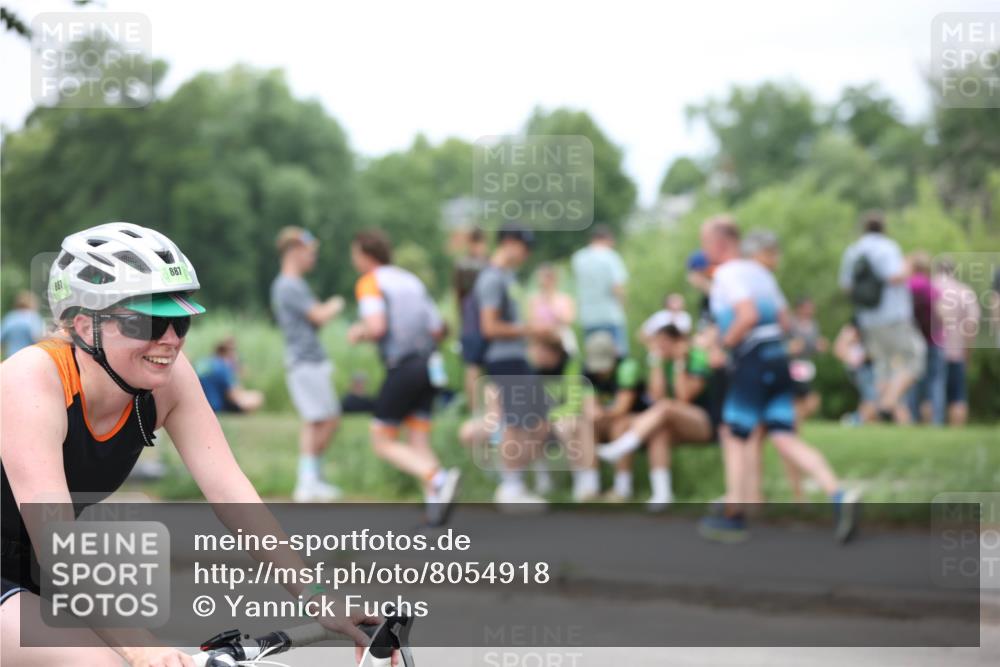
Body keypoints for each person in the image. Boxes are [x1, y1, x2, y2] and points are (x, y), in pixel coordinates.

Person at [1, 223, 377, 666]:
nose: (171, 340)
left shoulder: (168, 381)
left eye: (180, 320)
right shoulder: (31, 381)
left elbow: (231, 493)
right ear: (85, 324)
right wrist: (141, 647)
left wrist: (318, 597)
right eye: (151, 322)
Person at [700, 217, 858, 543]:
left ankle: (734, 516)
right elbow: (785, 323)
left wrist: (722, 345)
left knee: (734, 434)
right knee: (784, 437)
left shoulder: (728, 274)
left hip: (752, 362)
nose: (704, 250)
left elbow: (748, 316)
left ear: (718, 243)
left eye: (705, 243)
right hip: (778, 361)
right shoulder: (762, 275)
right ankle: (838, 494)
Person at [347, 230, 460, 526]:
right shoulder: (411, 280)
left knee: (381, 440)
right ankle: (436, 507)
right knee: (418, 439)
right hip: (430, 366)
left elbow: (376, 327)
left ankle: (437, 477)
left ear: (364, 254)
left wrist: (358, 331)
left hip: (403, 366)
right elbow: (438, 328)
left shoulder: (371, 282)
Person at [597, 324, 721, 510]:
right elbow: (656, 397)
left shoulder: (697, 357)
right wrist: (657, 363)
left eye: (663, 343)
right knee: (659, 431)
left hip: (704, 421)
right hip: (675, 420)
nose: (659, 347)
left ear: (677, 341)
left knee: (667, 407)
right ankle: (662, 494)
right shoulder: (663, 362)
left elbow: (683, 397)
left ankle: (620, 448)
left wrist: (680, 362)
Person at [475, 223, 554, 507]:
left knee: (537, 420)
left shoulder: (508, 278)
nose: (527, 254)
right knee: (515, 422)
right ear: (509, 242)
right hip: (503, 358)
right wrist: (528, 330)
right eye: (525, 246)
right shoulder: (492, 279)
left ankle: (516, 478)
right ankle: (510, 486)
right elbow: (489, 326)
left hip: (518, 357)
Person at [271, 226, 345, 503]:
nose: (312, 258)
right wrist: (337, 304)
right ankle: (308, 480)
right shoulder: (289, 285)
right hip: (305, 360)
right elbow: (319, 315)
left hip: (306, 360)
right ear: (294, 252)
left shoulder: (293, 284)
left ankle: (311, 479)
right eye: (309, 252)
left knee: (317, 421)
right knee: (325, 419)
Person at [838, 211, 924, 424]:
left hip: (867, 319)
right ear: (884, 228)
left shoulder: (853, 250)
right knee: (916, 357)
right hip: (893, 316)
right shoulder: (888, 247)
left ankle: (878, 410)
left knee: (882, 366)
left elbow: (846, 286)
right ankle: (887, 404)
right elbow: (894, 276)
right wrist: (909, 265)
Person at [582, 331, 648, 502]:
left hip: (636, 417)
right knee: (586, 425)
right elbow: (589, 404)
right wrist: (593, 413)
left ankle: (622, 488)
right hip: (607, 418)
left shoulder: (628, 367)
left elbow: (622, 407)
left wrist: (600, 412)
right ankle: (590, 486)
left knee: (620, 425)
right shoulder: (587, 370)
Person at [934, 260, 980, 426]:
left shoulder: (930, 288)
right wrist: (968, 352)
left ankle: (929, 431)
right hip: (956, 351)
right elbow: (971, 326)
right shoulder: (964, 291)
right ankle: (956, 432)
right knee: (958, 395)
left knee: (930, 393)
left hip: (931, 350)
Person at [572, 224, 630, 357]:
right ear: (607, 238)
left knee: (594, 358)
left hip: (588, 316)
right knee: (618, 357)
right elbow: (617, 287)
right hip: (610, 315)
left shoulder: (578, 258)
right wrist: (623, 306)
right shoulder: (610, 256)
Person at [454, 227, 490, 413]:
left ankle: (475, 410)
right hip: (483, 320)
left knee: (473, 367)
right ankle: (480, 409)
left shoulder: (461, 264)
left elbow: (458, 294)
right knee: (479, 368)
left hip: (469, 320)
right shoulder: (488, 264)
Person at [907, 251, 945, 425]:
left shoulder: (905, 286)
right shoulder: (931, 287)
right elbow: (940, 315)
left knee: (912, 380)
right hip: (933, 340)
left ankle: (912, 418)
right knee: (935, 381)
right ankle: (936, 421)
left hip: (911, 341)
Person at [196, 336, 264, 414]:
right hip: (216, 407)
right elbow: (234, 396)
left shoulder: (203, 363)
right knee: (258, 396)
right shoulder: (223, 367)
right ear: (228, 352)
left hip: (199, 405)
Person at [787, 297, 828, 421]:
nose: (810, 311)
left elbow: (812, 345)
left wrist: (818, 346)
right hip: (792, 364)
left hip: (805, 365)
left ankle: (795, 420)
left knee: (803, 399)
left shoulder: (814, 325)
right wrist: (790, 346)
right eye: (807, 308)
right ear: (799, 309)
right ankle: (793, 420)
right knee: (805, 397)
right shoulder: (790, 323)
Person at [527, 263, 577, 362]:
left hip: (559, 341)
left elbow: (568, 320)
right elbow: (532, 322)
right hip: (542, 342)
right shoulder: (534, 300)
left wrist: (551, 303)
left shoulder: (564, 299)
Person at [832, 319, 878, 424]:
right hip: (861, 369)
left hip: (864, 368)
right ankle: (854, 420)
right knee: (872, 398)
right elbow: (839, 349)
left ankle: (865, 421)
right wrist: (855, 360)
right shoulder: (854, 327)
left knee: (867, 398)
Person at [1, 291, 45, 359]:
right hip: (30, 358)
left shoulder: (9, 317)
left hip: (11, 358)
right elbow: (38, 338)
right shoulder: (33, 316)